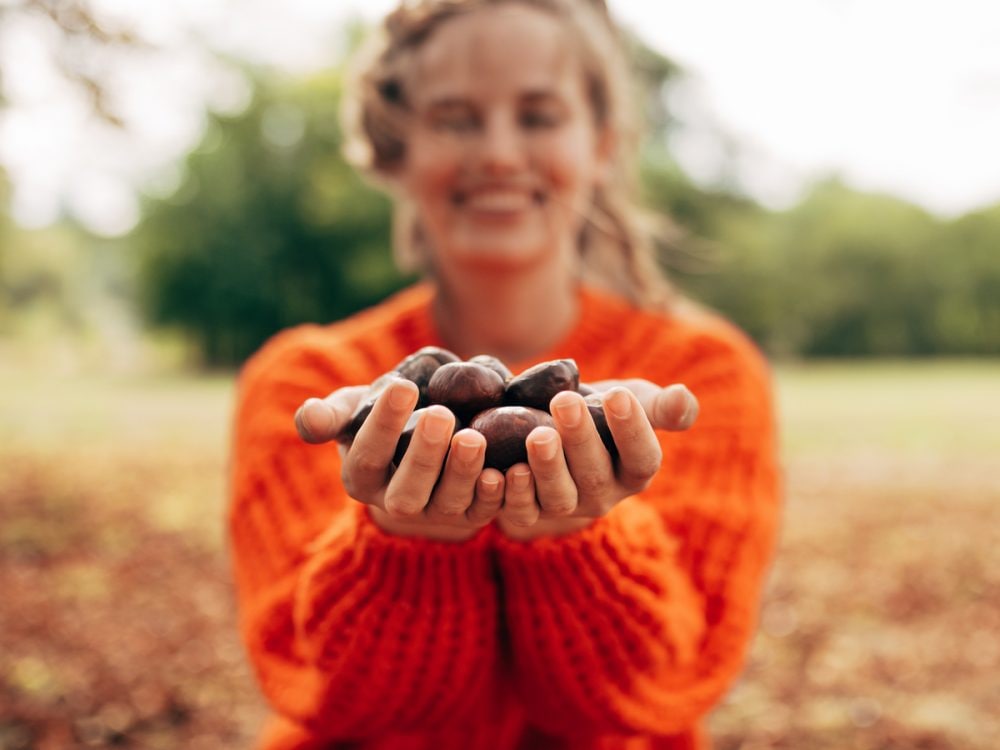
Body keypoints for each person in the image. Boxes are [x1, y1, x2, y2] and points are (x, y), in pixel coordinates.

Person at [228, 0, 781, 748]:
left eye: (539, 115)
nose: (496, 153)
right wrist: (401, 542)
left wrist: (581, 541)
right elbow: (323, 695)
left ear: (603, 145)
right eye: (454, 118)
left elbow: (662, 690)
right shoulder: (306, 381)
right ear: (393, 148)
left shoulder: (702, 375)